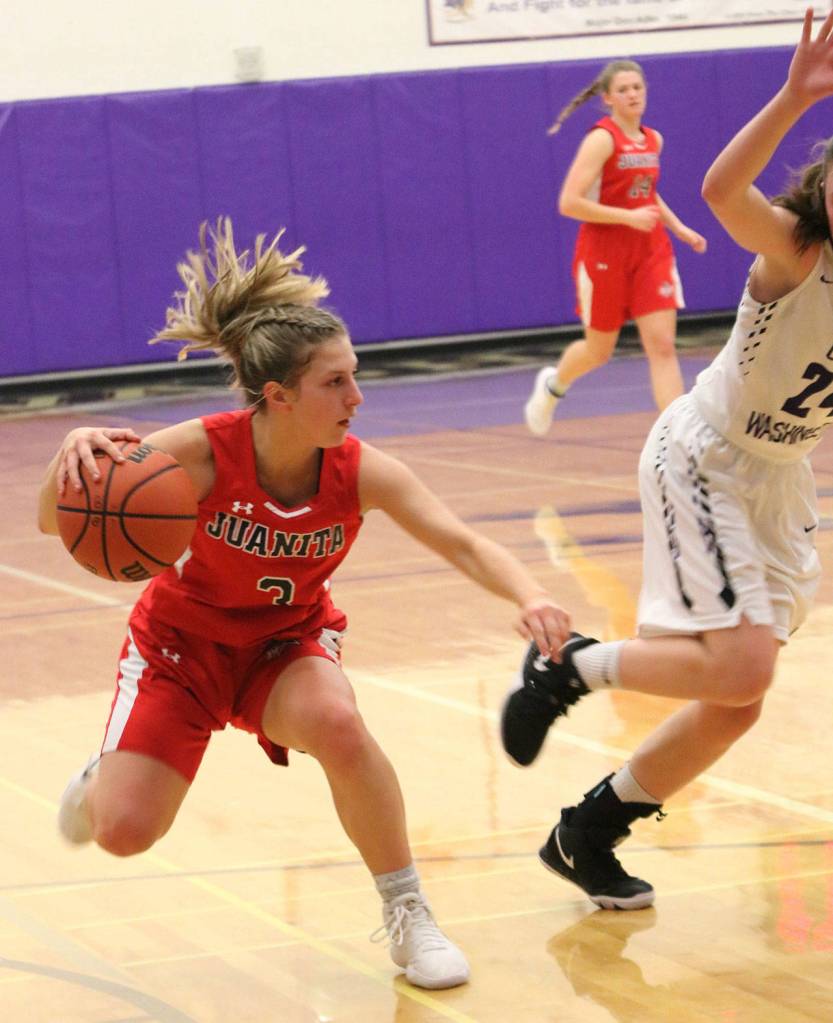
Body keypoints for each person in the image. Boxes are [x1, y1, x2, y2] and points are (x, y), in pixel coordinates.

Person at [38, 219, 571, 989]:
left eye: (355, 375)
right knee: (123, 833)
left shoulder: (359, 471)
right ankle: (103, 779)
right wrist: (73, 454)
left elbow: (459, 540)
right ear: (279, 397)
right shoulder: (194, 451)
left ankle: (408, 913)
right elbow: (49, 518)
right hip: (178, 652)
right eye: (336, 382)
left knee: (338, 721)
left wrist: (532, 593)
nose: (357, 396)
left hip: (282, 649)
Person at [502, 7, 833, 909]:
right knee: (745, 668)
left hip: (775, 479)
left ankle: (589, 829)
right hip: (704, 458)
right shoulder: (797, 253)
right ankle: (569, 665)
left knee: (738, 698)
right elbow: (725, 192)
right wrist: (792, 94)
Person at [524, 59, 707, 436]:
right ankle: (554, 385)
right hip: (604, 252)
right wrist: (627, 218)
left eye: (637, 87)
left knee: (662, 346)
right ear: (608, 98)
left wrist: (680, 228)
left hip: (650, 250)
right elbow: (569, 202)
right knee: (599, 351)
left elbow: (647, 193)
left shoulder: (653, 139)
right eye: (623, 89)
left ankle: (677, 437)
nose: (632, 95)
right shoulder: (601, 139)